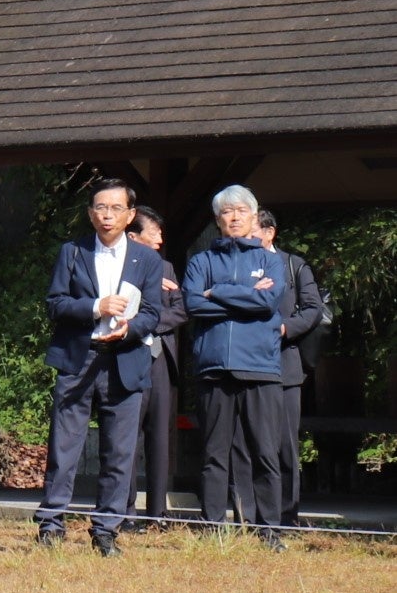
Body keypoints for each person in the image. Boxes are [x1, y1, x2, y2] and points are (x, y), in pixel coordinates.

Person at [34, 179, 166, 556]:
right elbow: (56, 304)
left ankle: (106, 529)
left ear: (130, 215)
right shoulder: (72, 251)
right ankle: (51, 523)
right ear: (90, 213)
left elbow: (153, 313)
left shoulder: (147, 259)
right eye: (100, 208)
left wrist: (129, 329)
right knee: (64, 446)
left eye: (115, 208)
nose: (107, 215)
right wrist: (96, 307)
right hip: (78, 357)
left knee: (119, 452)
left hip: (125, 358)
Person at [184, 185, 287, 546]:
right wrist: (246, 295)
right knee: (214, 454)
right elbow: (193, 305)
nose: (234, 217)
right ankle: (213, 528)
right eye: (227, 212)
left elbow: (267, 304)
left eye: (241, 210)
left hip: (260, 367)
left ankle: (270, 530)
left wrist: (217, 291)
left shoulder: (271, 260)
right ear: (217, 220)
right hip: (214, 367)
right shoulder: (201, 261)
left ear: (254, 217)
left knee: (265, 452)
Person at [248, 207, 326, 528]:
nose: (246, 238)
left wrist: (285, 328)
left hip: (285, 364)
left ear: (270, 233)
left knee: (284, 444)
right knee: (249, 443)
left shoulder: (293, 265)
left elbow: (313, 309)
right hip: (244, 364)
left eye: (252, 232)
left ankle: (286, 515)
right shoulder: (237, 265)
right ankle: (250, 514)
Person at [127, 208, 188, 528]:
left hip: (161, 357)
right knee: (126, 436)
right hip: (127, 355)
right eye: (154, 234)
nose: (160, 240)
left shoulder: (166, 268)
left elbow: (181, 310)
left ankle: (157, 513)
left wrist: (149, 321)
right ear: (133, 236)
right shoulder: (119, 266)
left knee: (160, 437)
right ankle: (123, 511)